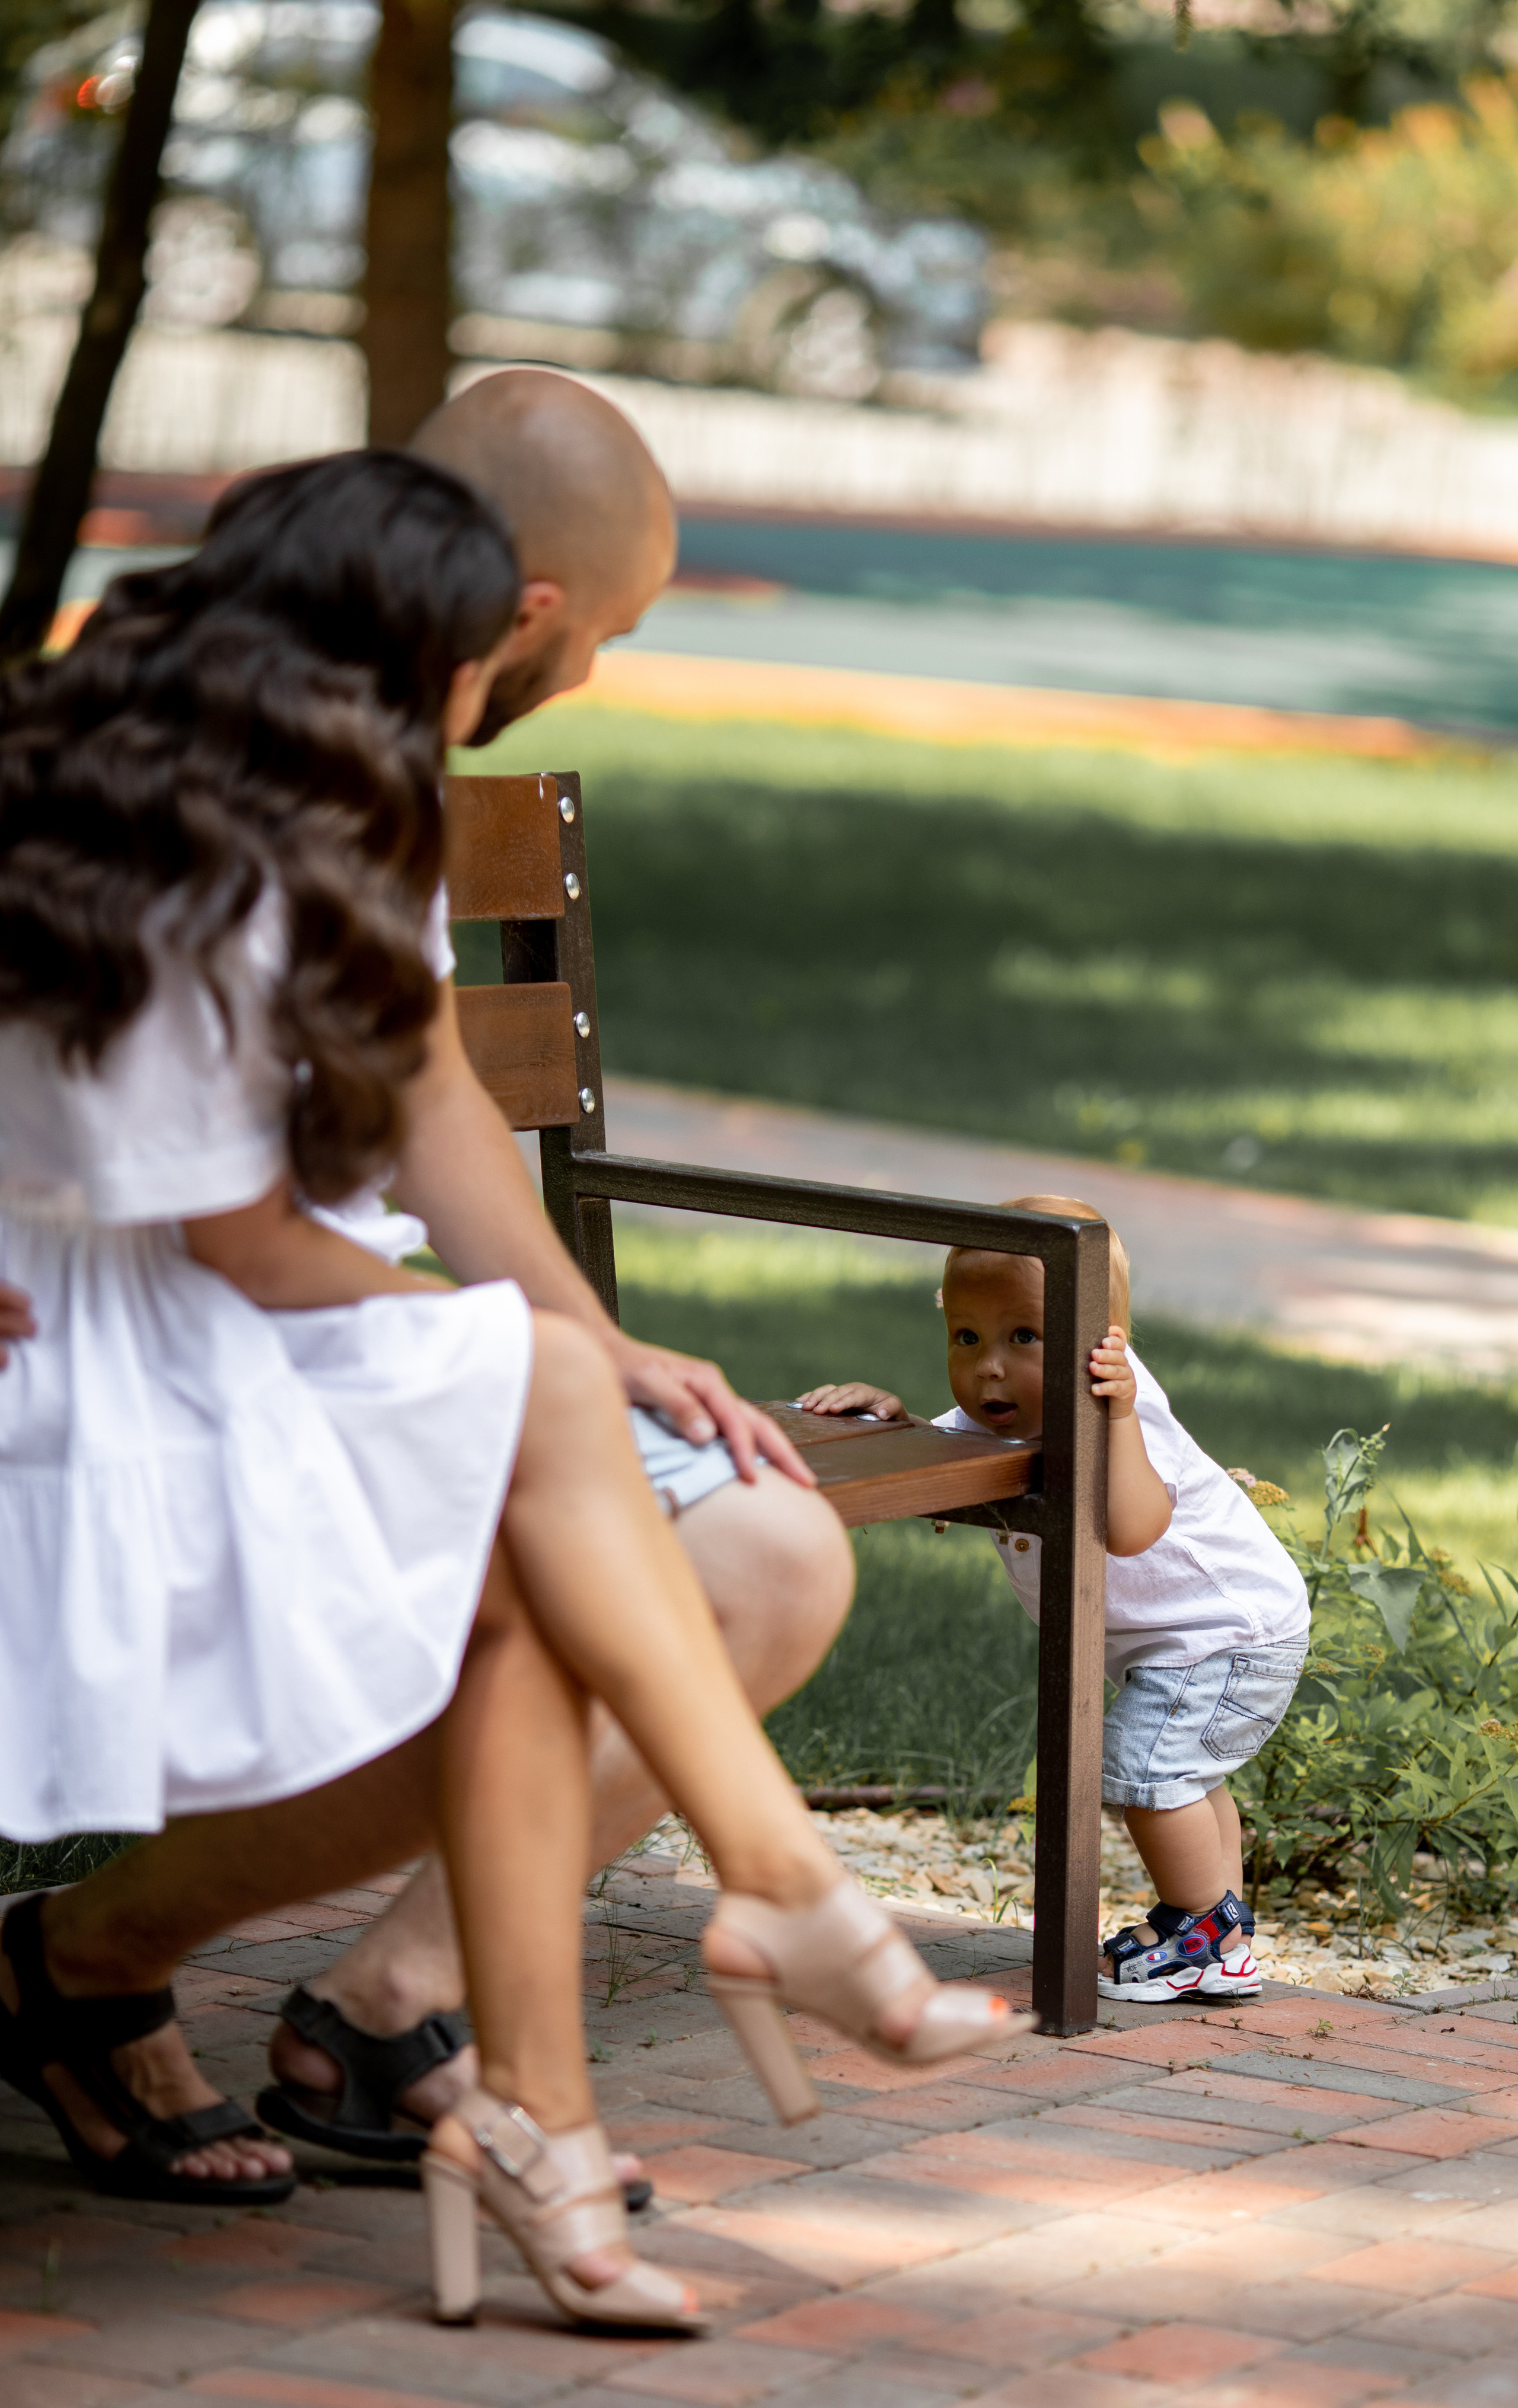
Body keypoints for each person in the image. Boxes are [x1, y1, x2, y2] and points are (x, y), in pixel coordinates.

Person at [0, 452, 1013, 2324]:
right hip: (118, 1355)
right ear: (440, 640)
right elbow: (230, 1230)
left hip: (241, 1322)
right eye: (511, 653)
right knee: (538, 1453)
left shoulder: (303, 792)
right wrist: (538, 1348)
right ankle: (745, 1923)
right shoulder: (148, 825)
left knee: (580, 1502)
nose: (496, 698)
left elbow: (406, 1107)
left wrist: (577, 1341)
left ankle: (512, 2063)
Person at [254, 366, 857, 2177]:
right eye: (609, 630)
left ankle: (377, 2006)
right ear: (525, 614)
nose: (597, 674)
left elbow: (440, 1126)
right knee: (593, 1571)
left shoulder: (388, 787)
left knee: (766, 1538)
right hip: (202, 1343)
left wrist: (599, 1340)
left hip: (364, 1338)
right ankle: (99, 1958)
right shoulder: (202, 766)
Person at [799, 1194, 1312, 2004]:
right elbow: (952, 1462)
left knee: (1144, 1769)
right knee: (1185, 1775)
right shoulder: (1008, 1412)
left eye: (1023, 1337)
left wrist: (1119, 1420)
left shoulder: (1118, 1404)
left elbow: (1135, 1525)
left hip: (1226, 1631)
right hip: (1215, 1632)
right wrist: (889, 1424)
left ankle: (1196, 1926)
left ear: (1100, 1341)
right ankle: (1221, 1938)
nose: (989, 1366)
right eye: (967, 1337)